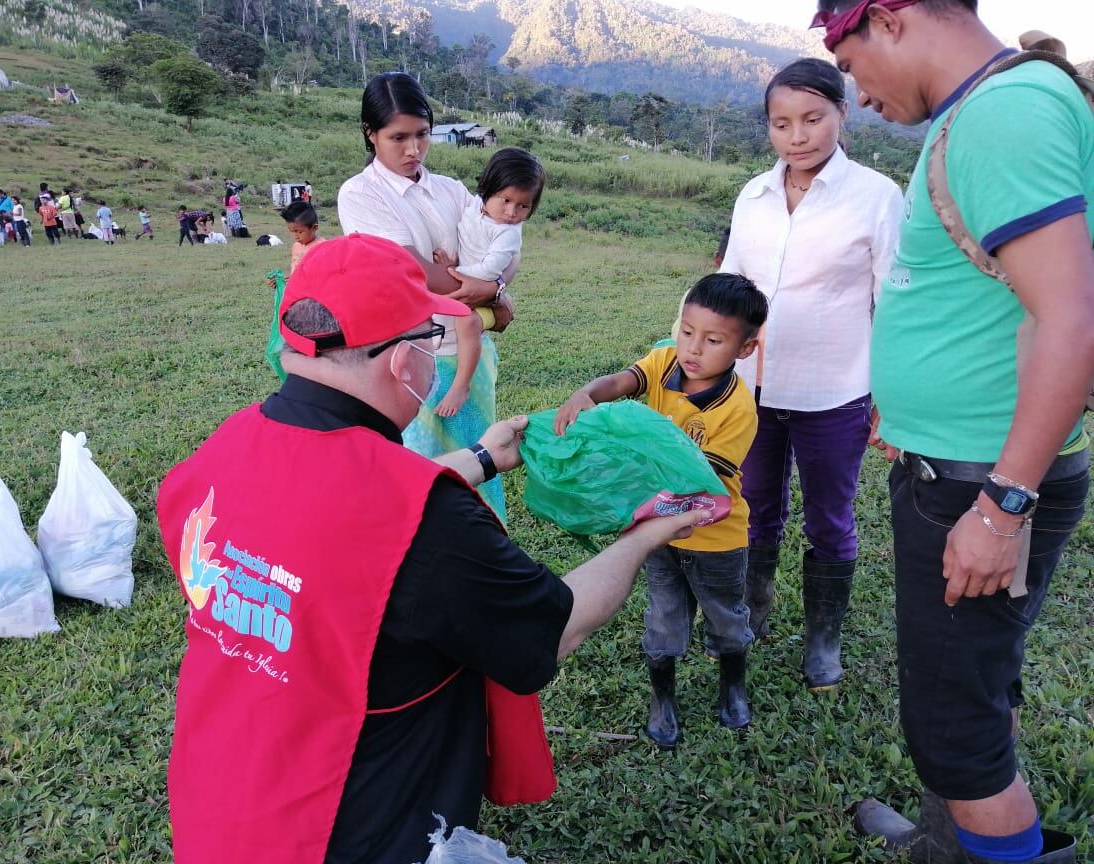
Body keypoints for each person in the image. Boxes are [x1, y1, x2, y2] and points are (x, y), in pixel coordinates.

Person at [156, 233, 709, 864]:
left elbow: (335, 505)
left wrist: (481, 458)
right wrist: (649, 532)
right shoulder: (428, 524)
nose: (433, 359)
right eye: (430, 340)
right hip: (348, 823)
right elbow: (552, 625)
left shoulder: (216, 454)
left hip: (220, 800)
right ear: (402, 361)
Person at [816, 1, 1094, 861]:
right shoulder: (978, 108)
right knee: (971, 686)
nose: (859, 96)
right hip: (963, 466)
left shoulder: (1006, 113)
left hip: (983, 483)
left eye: (850, 65)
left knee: (954, 735)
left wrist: (1004, 505)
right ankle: (946, 841)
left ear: (889, 18)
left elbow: (1073, 318)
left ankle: (976, 833)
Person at [715, 57, 903, 690]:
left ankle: (823, 639)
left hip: (836, 389)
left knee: (830, 515)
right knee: (755, 505)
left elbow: (892, 302)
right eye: (781, 123)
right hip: (753, 387)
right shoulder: (754, 195)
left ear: (841, 114)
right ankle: (754, 610)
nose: (797, 136)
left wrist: (892, 394)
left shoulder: (877, 197)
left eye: (813, 119)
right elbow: (730, 286)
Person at [555, 273, 769, 744]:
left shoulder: (738, 409)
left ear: (745, 348)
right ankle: (663, 698)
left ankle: (732, 685)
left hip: (716, 539)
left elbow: (700, 479)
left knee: (727, 619)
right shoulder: (664, 362)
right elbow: (622, 380)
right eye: (687, 331)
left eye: (713, 340)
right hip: (658, 535)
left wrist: (630, 462)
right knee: (663, 619)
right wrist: (588, 393)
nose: (693, 348)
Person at [337, 72, 516, 519]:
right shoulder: (361, 195)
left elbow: (502, 245)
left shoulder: (451, 190)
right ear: (370, 134)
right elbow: (411, 271)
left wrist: (495, 286)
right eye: (398, 138)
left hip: (469, 355)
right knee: (420, 476)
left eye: (421, 134)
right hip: (410, 359)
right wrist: (489, 293)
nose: (413, 149)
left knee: (481, 458)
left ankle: (484, 546)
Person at [430, 147, 545, 419]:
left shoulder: (508, 233)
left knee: (467, 322)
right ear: (488, 188)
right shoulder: (471, 206)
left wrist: (451, 270)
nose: (511, 212)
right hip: (470, 284)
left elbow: (489, 270)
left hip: (483, 291)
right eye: (506, 200)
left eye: (523, 206)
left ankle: (461, 385)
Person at [280, 199, 326, 272]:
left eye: (300, 232)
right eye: (292, 232)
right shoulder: (296, 246)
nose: (296, 236)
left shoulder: (322, 247)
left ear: (314, 228)